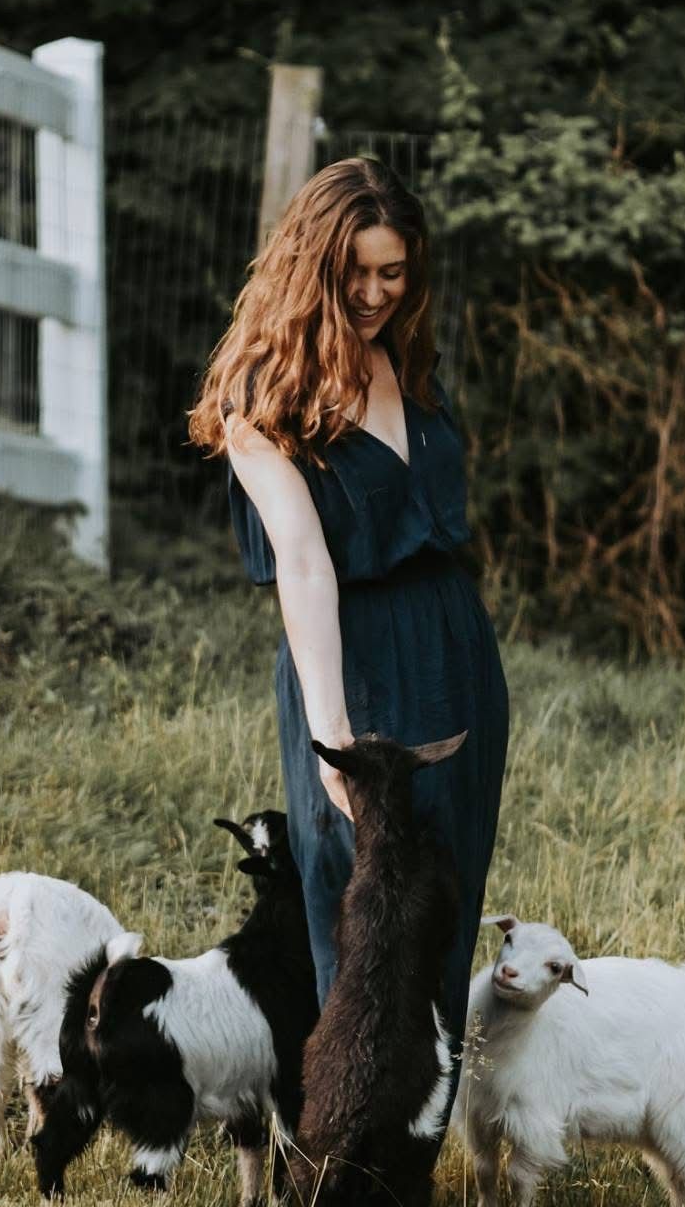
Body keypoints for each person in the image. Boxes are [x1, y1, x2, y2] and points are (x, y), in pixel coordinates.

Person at [188, 157, 509, 1050]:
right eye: (355, 272)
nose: (374, 292)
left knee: (442, 899)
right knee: (359, 908)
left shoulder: (405, 358)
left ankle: (416, 1150)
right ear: (312, 266)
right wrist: (337, 740)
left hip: (455, 650)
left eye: (392, 271)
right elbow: (302, 559)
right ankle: (346, 1156)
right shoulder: (261, 399)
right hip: (353, 656)